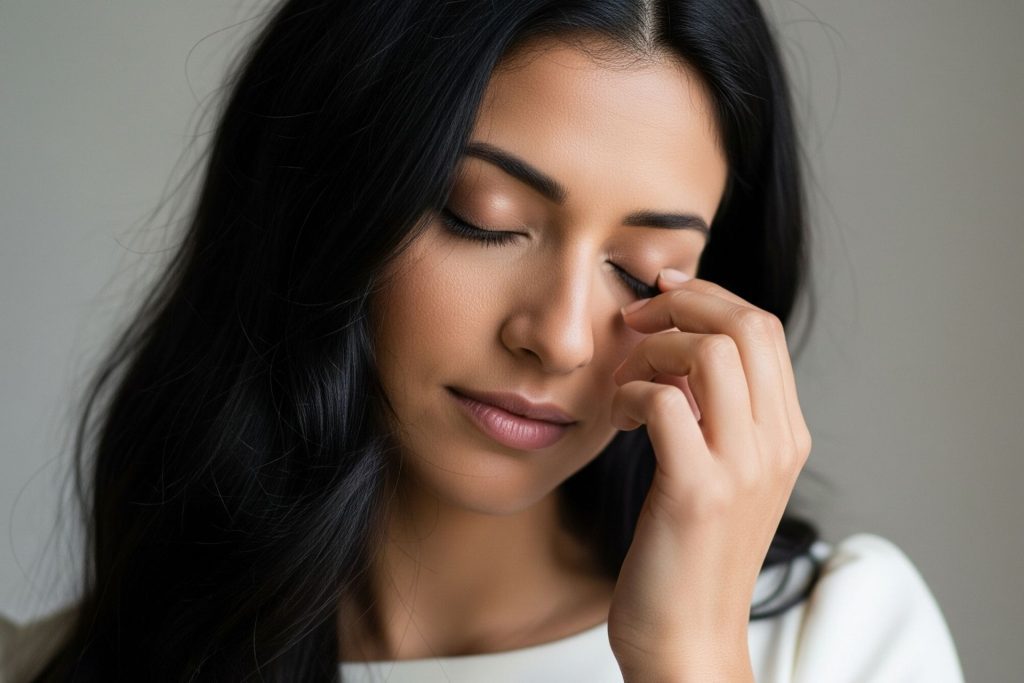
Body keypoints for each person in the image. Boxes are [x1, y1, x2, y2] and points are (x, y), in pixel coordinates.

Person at [0, 0, 965, 681]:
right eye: (481, 216)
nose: (556, 337)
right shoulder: (56, 665)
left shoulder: (837, 642)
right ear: (329, 201)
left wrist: (689, 657)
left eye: (642, 270)